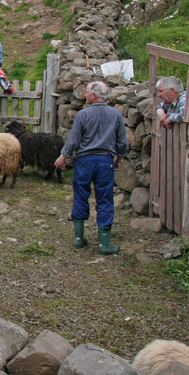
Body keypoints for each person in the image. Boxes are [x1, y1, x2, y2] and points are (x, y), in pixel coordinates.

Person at [53, 81, 128, 255]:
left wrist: (63, 156)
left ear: (94, 95)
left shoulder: (83, 115)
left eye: (86, 92)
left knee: (80, 196)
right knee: (105, 199)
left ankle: (79, 239)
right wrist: (120, 159)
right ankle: (104, 245)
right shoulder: (116, 114)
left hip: (84, 162)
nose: (84, 95)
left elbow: (73, 140)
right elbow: (122, 141)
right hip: (105, 162)